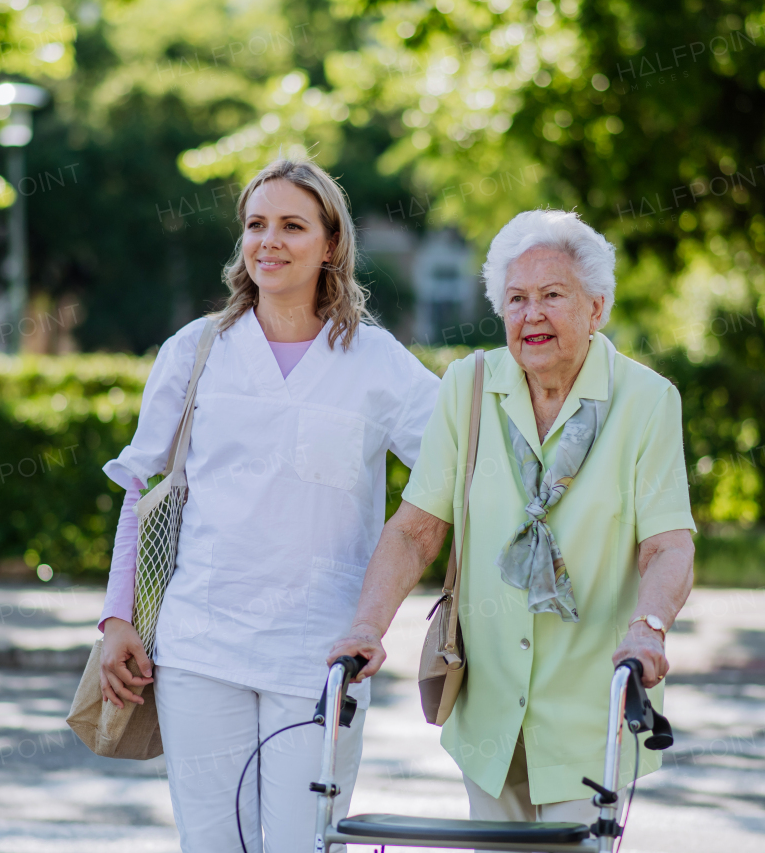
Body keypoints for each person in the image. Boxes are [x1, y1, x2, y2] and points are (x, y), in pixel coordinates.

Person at [98, 158, 440, 853]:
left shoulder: (376, 361)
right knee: (213, 845)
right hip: (199, 647)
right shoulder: (196, 351)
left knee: (304, 846)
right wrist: (115, 618)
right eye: (256, 224)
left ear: (331, 244)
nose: (269, 241)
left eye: (292, 225)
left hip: (319, 656)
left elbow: (454, 469)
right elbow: (141, 489)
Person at [329, 209, 696, 828]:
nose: (532, 315)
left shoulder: (646, 400)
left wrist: (649, 628)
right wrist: (367, 626)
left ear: (596, 307)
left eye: (553, 296)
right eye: (517, 299)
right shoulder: (468, 388)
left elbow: (667, 544)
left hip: (589, 710)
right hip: (488, 710)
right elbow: (417, 530)